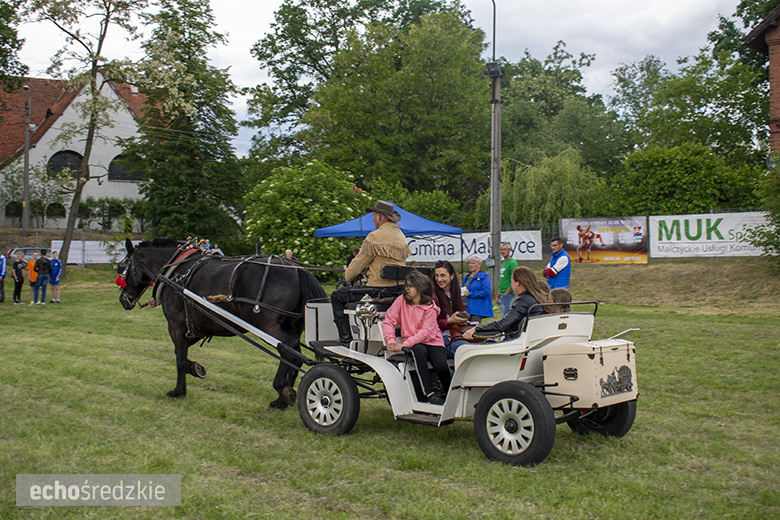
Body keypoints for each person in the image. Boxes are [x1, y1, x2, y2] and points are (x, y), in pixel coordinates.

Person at [331, 200, 411, 345]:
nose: (373, 219)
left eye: (374, 215)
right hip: (398, 291)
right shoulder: (401, 236)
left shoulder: (375, 236)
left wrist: (348, 273)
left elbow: (356, 266)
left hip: (378, 291)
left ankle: (345, 341)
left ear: (380, 217)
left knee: (337, 296)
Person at [382, 270, 450, 405]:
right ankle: (428, 394)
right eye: (406, 286)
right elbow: (389, 320)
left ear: (420, 289)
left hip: (432, 341)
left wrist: (405, 343)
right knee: (418, 351)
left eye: (410, 286)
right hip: (415, 343)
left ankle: (449, 392)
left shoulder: (430, 307)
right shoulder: (401, 301)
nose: (406, 289)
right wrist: (391, 340)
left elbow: (426, 333)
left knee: (440, 364)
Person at [463, 266, 551, 341]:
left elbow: (503, 324)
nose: (512, 286)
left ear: (518, 283)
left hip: (516, 345)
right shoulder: (537, 299)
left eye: (512, 283)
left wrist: (476, 329)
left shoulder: (524, 301)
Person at [431, 260, 469, 358]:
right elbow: (429, 323)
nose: (439, 279)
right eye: (437, 276)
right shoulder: (432, 295)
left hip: (455, 334)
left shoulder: (456, 293)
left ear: (451, 276)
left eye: (442, 275)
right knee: (465, 349)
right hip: (439, 338)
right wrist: (449, 321)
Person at [461, 254, 492, 323]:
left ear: (479, 264)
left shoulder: (484, 276)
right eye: (470, 263)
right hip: (466, 306)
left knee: (474, 327)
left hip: (477, 308)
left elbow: (486, 291)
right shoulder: (467, 277)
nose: (471, 265)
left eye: (473, 263)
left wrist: (471, 294)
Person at [496, 242, 518, 317]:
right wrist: (498, 295)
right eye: (501, 249)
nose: (503, 251)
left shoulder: (512, 263)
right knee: (503, 314)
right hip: (502, 292)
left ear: (509, 250)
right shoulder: (503, 263)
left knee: (506, 315)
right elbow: (502, 279)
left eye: (505, 249)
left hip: (508, 293)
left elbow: (514, 278)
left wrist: (507, 292)